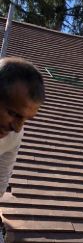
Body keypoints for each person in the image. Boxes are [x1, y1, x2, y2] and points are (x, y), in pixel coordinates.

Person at [0, 57, 45, 197]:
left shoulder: (14, 136)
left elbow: (3, 170)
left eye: (26, 119)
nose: (17, 128)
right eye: (13, 113)